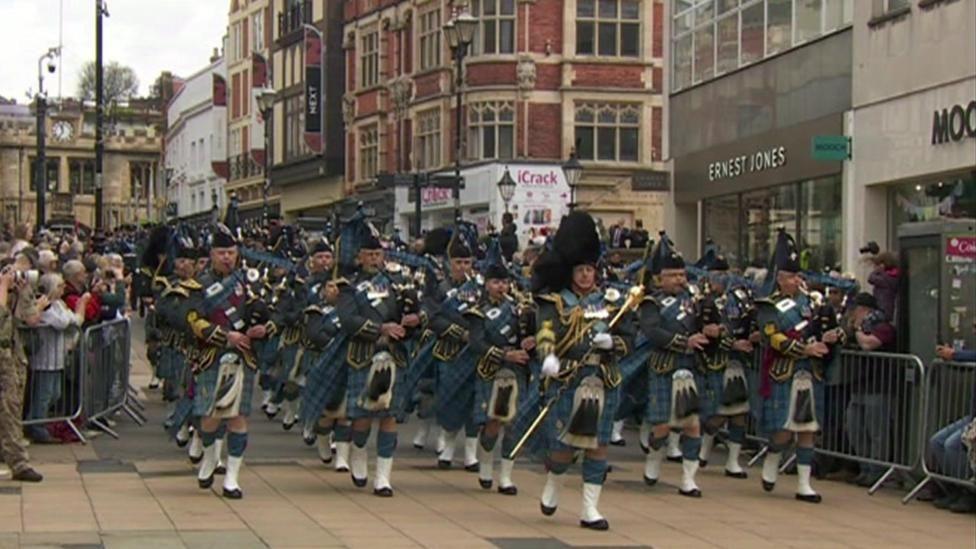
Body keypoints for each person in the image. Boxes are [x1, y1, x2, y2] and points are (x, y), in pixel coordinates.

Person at [532, 210, 634, 530]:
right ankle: (554, 483)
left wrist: (613, 344)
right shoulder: (554, 301)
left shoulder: (610, 302)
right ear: (570, 271)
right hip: (568, 376)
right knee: (563, 448)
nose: (587, 275)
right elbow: (545, 331)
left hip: (602, 378)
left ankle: (590, 510)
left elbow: (629, 339)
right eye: (581, 270)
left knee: (598, 445)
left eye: (590, 269)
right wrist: (547, 355)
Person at [184, 224, 269, 499]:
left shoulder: (250, 283)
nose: (227, 257)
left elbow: (269, 316)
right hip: (213, 355)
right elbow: (194, 322)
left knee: (238, 417)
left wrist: (263, 328)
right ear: (211, 254)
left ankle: (232, 478)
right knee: (210, 417)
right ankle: (210, 458)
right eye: (222, 252)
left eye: (231, 252)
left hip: (243, 356)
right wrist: (225, 336)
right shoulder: (200, 286)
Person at [756, 229, 840, 503]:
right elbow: (773, 337)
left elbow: (829, 328)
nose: (796, 280)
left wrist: (833, 336)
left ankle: (804, 484)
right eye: (790, 276)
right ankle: (773, 456)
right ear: (779, 278)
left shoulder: (812, 303)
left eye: (797, 275)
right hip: (784, 372)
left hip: (810, 372)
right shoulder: (769, 305)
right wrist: (804, 348)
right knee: (783, 430)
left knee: (807, 429)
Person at [336, 230, 419, 497]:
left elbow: (414, 315)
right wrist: (380, 328)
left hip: (393, 356)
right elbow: (348, 320)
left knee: (389, 417)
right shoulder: (348, 285)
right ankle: (358, 453)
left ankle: (383, 478)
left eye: (378, 254)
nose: (374, 258)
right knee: (362, 418)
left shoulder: (397, 283)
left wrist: (415, 321)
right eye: (369, 254)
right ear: (359, 257)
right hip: (363, 355)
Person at [639, 233, 706, 497]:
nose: (680, 279)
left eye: (682, 274)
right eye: (673, 275)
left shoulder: (696, 301)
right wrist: (684, 341)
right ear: (660, 278)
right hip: (664, 366)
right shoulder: (650, 302)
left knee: (692, 424)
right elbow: (652, 331)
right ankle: (654, 456)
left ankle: (688, 480)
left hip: (690, 367)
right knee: (663, 425)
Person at [469, 262, 535, 494]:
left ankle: (506, 477)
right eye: (496, 282)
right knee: (492, 423)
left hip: (517, 371)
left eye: (505, 282)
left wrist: (532, 342)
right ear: (486, 284)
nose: (501, 286)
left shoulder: (521, 307)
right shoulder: (478, 310)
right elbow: (476, 342)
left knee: (514, 424)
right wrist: (506, 355)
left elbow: (533, 332)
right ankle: (485, 464)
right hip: (491, 368)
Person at [695, 251, 756, 480]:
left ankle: (732, 462)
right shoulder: (704, 300)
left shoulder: (738, 298)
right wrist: (731, 342)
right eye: (715, 275)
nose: (717, 280)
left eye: (721, 275)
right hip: (714, 361)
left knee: (739, 411)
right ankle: (704, 448)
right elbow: (704, 328)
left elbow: (742, 324)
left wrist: (752, 338)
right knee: (718, 412)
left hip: (737, 362)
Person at [429, 233, 483, 470]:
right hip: (449, 351)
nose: (463, 267)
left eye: (467, 262)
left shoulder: (481, 288)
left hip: (475, 352)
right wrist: (458, 333)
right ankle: (447, 449)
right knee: (450, 400)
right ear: (450, 264)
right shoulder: (442, 288)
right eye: (459, 263)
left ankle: (471, 454)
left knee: (473, 403)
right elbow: (433, 318)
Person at [843, 292, 896, 487]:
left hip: (878, 386)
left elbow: (868, 344)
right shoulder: (855, 328)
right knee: (854, 427)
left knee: (876, 431)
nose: (852, 314)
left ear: (864, 310)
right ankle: (864, 468)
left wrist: (856, 330)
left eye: (855, 310)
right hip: (858, 385)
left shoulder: (883, 327)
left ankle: (877, 471)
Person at [26, 274, 85, 443]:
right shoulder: (44, 306)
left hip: (57, 358)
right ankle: (36, 426)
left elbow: (71, 320)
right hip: (44, 359)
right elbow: (62, 322)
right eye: (59, 286)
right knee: (44, 394)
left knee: (55, 393)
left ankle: (37, 422)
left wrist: (72, 316)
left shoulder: (59, 304)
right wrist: (78, 309)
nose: (63, 289)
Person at [0, 260, 44, 481]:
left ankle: (17, 460)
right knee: (8, 411)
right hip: (3, 359)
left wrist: (21, 292)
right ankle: (18, 462)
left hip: (11, 359)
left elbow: (25, 318)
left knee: (11, 409)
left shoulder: (10, 296)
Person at [867, 251, 899, 324]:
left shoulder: (884, 279)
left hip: (882, 309)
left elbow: (871, 278)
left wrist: (877, 271)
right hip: (888, 310)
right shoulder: (893, 277)